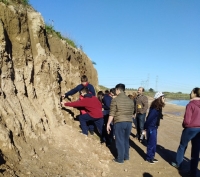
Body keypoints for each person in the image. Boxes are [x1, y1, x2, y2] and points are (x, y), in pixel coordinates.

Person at [171, 87, 200, 176]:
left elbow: (187, 121)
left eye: (191, 92)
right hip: (199, 129)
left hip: (190, 129)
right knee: (196, 150)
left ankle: (178, 164)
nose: (190, 93)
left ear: (195, 93)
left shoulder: (190, 104)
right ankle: (193, 171)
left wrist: (185, 126)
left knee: (182, 146)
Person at [106, 83, 134, 164]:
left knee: (119, 140)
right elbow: (132, 112)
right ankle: (126, 156)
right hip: (129, 122)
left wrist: (108, 124)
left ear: (118, 89)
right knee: (126, 139)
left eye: (115, 89)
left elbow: (112, 113)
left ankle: (120, 159)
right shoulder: (130, 100)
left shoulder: (115, 100)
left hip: (120, 122)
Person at [143, 92, 165, 164]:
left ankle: (151, 156)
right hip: (151, 127)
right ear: (159, 98)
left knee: (153, 143)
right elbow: (149, 118)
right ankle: (149, 158)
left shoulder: (158, 107)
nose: (164, 99)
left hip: (154, 127)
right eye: (163, 97)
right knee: (151, 143)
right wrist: (145, 127)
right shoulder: (155, 108)